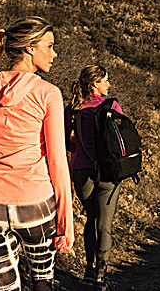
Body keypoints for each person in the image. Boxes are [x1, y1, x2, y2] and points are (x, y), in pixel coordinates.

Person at [0, 17, 74, 291]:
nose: (54, 54)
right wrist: (66, 223)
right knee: (42, 283)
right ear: (30, 48)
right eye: (50, 46)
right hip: (36, 203)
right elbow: (57, 162)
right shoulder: (48, 93)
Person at [64, 65, 123, 289]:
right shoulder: (112, 106)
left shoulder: (73, 108)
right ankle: (100, 275)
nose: (109, 84)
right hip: (109, 171)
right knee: (104, 224)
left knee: (91, 218)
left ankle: (88, 269)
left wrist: (79, 147)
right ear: (96, 83)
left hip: (81, 169)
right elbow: (121, 141)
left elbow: (64, 141)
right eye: (106, 80)